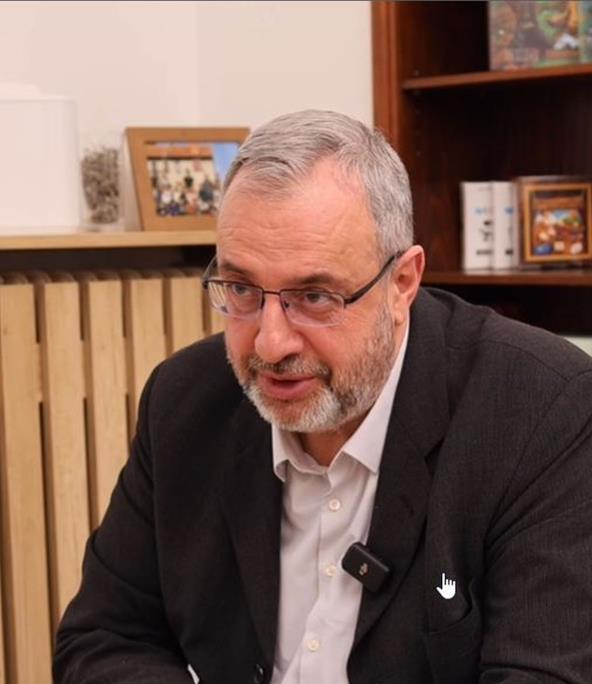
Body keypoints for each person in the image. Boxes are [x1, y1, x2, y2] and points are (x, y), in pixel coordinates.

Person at [54, 110, 592, 683]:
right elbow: (102, 640)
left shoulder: (542, 409)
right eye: (241, 289)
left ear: (402, 283)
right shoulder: (185, 400)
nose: (271, 342)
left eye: (314, 296)